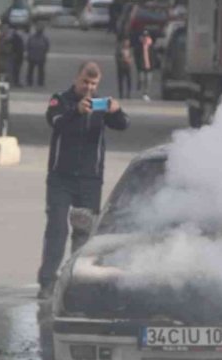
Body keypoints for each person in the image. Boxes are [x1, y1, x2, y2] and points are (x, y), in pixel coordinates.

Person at [37, 61, 130, 300]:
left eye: (94, 84)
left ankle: (76, 282)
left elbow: (123, 125)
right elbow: (55, 121)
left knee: (84, 233)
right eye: (85, 83)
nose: (89, 88)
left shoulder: (100, 104)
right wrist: (76, 111)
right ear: (76, 79)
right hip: (61, 178)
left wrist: (116, 110)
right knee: (57, 229)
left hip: (90, 179)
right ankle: (47, 282)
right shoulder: (61, 100)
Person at [133, 30, 154, 101]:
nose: (145, 38)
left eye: (146, 36)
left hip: (149, 66)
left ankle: (146, 93)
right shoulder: (139, 45)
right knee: (141, 79)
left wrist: (153, 64)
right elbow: (136, 55)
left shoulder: (151, 45)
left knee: (148, 80)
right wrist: (137, 64)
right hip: (141, 66)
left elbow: (154, 55)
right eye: (144, 36)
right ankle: (139, 86)